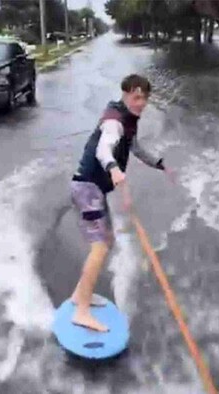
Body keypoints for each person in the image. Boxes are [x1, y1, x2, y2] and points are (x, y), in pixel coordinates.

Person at [69, 74, 175, 332]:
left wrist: (159, 165)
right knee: (100, 247)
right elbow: (104, 150)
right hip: (87, 188)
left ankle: (79, 295)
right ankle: (81, 311)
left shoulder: (129, 121)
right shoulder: (114, 123)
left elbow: (135, 148)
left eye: (145, 99)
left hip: (94, 189)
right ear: (125, 95)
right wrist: (114, 169)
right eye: (136, 97)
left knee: (106, 243)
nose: (141, 103)